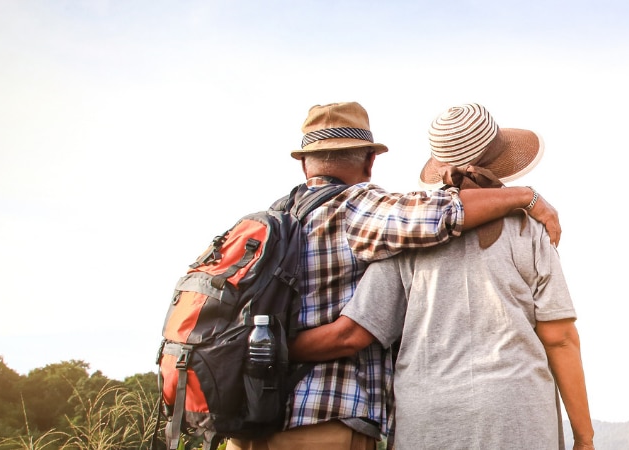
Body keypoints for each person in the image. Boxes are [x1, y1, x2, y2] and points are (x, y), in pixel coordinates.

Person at [226, 102, 562, 450]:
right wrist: (525, 197)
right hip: (320, 420)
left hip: (248, 419)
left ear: (302, 162)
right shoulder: (357, 206)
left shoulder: (273, 219)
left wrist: (253, 351)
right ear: (370, 161)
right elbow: (445, 213)